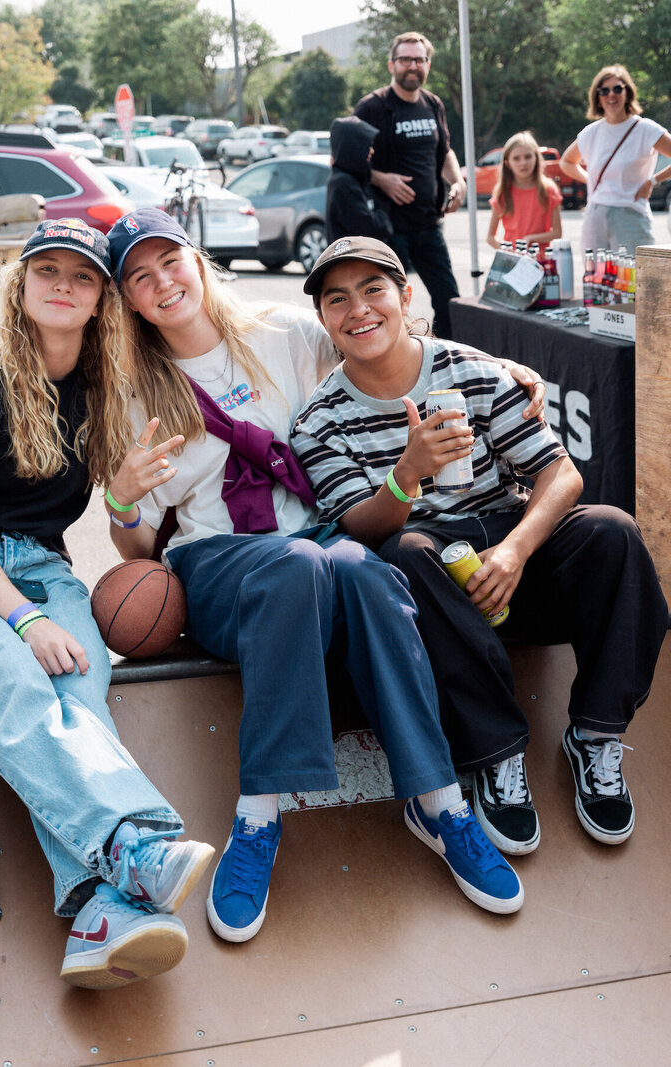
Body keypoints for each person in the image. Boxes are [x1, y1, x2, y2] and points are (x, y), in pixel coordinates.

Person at [103, 207, 529, 943]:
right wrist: (120, 495)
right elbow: (135, 550)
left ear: (197, 261)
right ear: (130, 300)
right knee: (304, 562)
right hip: (221, 565)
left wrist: (502, 369)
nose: (161, 282)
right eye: (140, 277)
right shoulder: (134, 388)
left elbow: (388, 352)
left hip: (319, 542)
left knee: (363, 569)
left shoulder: (288, 337)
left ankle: (438, 802)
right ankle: (258, 817)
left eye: (169, 261)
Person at [0, 218, 214, 991]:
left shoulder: (102, 391)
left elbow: (118, 514)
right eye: (48, 272)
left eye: (82, 275)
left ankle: (100, 912)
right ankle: (137, 846)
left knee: (82, 695)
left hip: (44, 568)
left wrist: (127, 495)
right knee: (19, 681)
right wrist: (26, 622)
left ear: (102, 297)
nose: (63, 285)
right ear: (22, 286)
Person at [293, 235, 668, 858]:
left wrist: (517, 550)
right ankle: (496, 755)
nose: (358, 309)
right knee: (407, 556)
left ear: (406, 296)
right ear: (324, 318)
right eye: (338, 299)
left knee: (612, 530)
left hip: (508, 544)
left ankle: (597, 734)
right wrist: (406, 472)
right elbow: (364, 528)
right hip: (430, 567)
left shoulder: (472, 370)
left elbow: (562, 474)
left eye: (373, 290)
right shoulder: (319, 420)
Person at [353, 31, 465, 339]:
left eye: (419, 59)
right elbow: (345, 160)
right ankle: (392, 370)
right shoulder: (371, 108)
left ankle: (441, 361)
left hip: (429, 225)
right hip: (389, 229)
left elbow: (445, 152)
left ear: (428, 65)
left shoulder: (433, 105)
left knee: (449, 300)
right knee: (389, 305)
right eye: (405, 59)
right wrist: (382, 178)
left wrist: (457, 182)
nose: (412, 66)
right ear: (391, 65)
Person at [560, 64, 671, 256]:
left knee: (637, 280)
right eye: (604, 90)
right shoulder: (591, 132)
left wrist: (653, 180)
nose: (611, 95)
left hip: (631, 214)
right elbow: (566, 162)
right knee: (596, 278)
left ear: (628, 92)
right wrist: (590, 179)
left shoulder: (645, 129)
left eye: (618, 88)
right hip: (595, 214)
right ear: (598, 97)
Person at [487, 131, 562, 257]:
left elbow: (557, 233)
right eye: (516, 158)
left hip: (540, 261)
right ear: (507, 163)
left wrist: (530, 238)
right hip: (512, 262)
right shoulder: (503, 192)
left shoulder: (548, 189)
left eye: (528, 157)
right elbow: (490, 237)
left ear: (536, 158)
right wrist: (506, 250)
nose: (523, 163)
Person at [326, 115, 393, 244]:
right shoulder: (342, 183)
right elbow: (368, 229)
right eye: (367, 146)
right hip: (351, 263)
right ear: (353, 147)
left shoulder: (357, 178)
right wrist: (383, 217)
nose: (372, 151)